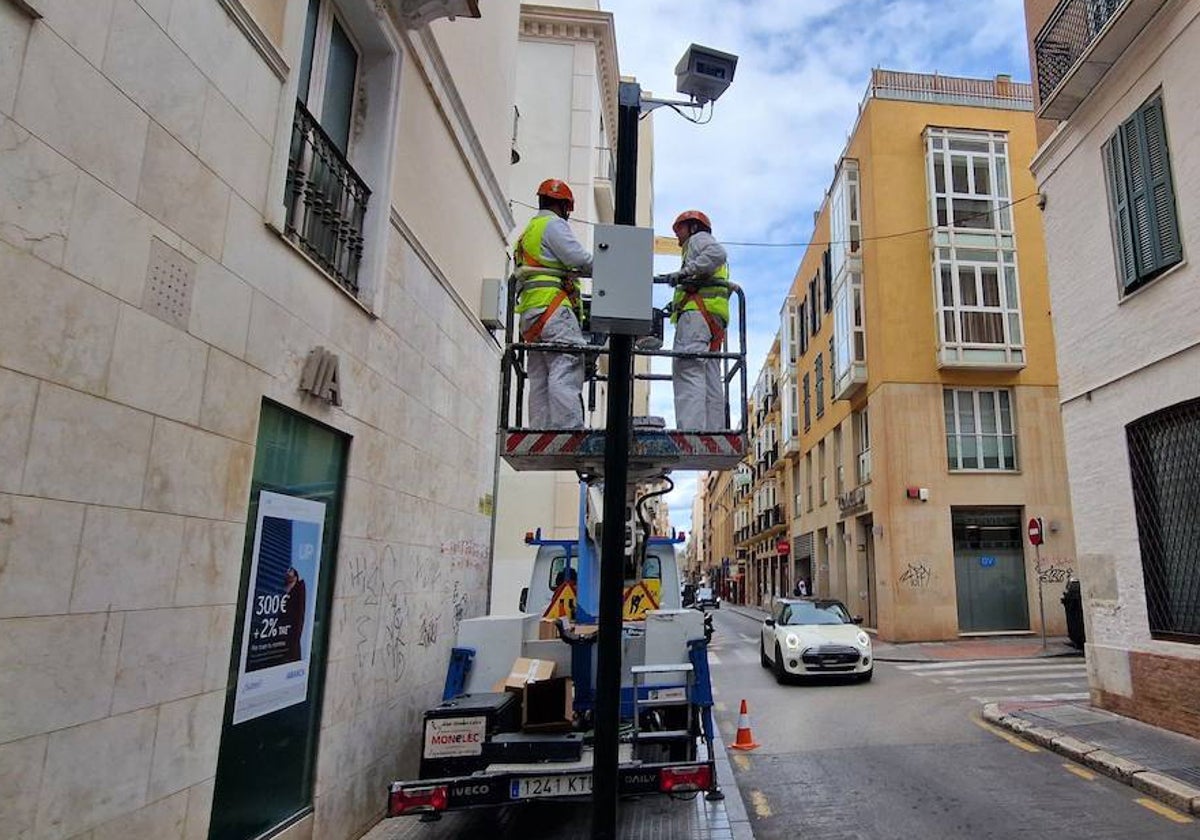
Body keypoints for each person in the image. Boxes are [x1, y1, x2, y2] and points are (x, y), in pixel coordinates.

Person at [514, 179, 592, 428]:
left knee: (540, 375)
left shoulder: (528, 232)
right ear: (564, 207)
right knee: (565, 364)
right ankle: (568, 431)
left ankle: (542, 429)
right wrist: (609, 267)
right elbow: (578, 259)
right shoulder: (554, 225)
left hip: (531, 313)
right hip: (552, 309)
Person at [667, 210, 731, 431]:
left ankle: (691, 431)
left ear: (693, 227)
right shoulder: (699, 245)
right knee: (710, 375)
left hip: (697, 317)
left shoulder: (698, 240)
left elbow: (717, 254)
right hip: (713, 319)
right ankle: (714, 430)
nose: (678, 238)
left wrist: (686, 272)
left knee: (688, 369)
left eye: (680, 230)